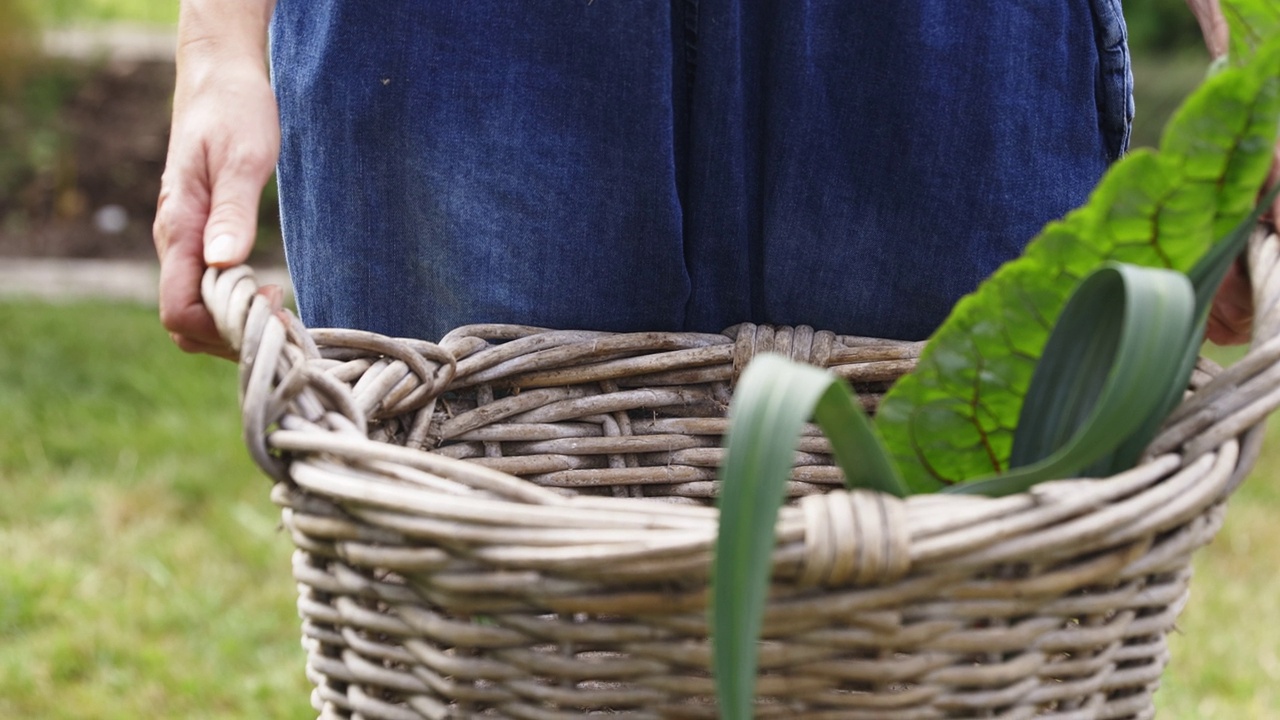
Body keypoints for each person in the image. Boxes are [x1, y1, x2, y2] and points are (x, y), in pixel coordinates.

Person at [154, 0, 1271, 361]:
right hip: (463, 49)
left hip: (943, 58)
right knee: (485, 652)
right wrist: (216, 46)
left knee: (960, 638)